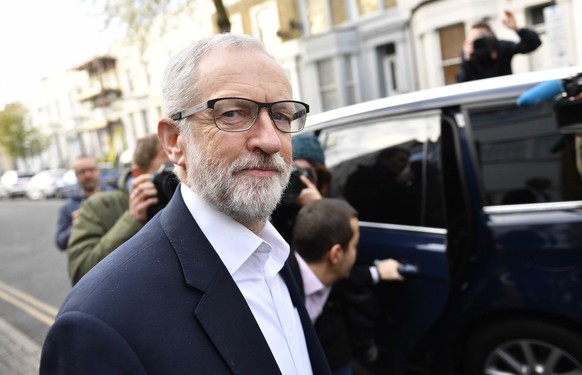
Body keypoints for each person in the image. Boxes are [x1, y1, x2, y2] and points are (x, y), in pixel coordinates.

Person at [40, 33, 331, 375]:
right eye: (234, 113)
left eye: (282, 115)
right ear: (174, 141)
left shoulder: (275, 257)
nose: (270, 139)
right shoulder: (100, 322)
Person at [288, 198, 403, 375]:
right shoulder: (278, 285)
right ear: (336, 255)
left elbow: (354, 279)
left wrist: (377, 272)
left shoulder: (330, 279)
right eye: (355, 245)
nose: (356, 253)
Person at [66, 133, 171, 285]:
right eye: (169, 169)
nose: (178, 176)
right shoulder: (98, 206)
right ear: (138, 174)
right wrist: (132, 220)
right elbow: (80, 272)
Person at [271, 134, 331, 243]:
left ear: (318, 176)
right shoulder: (273, 204)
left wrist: (317, 207)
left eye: (305, 172)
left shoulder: (334, 206)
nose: (298, 178)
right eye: (293, 171)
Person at [456, 10, 541, 82]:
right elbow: (461, 81)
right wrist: (466, 60)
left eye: (481, 37)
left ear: (492, 35)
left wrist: (517, 29)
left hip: (505, 91)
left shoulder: (502, 46)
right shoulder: (469, 52)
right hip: (481, 98)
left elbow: (534, 43)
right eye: (475, 38)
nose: (479, 41)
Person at [344, 146, 419, 225]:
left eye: (406, 161)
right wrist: (396, 183)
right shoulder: (364, 176)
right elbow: (365, 201)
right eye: (401, 160)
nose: (404, 164)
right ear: (385, 159)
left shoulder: (397, 179)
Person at [54, 155, 112, 250]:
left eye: (91, 170)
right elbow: (61, 243)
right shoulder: (68, 208)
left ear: (98, 171)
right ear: (76, 175)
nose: (87, 175)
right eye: (82, 171)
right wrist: (75, 226)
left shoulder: (114, 198)